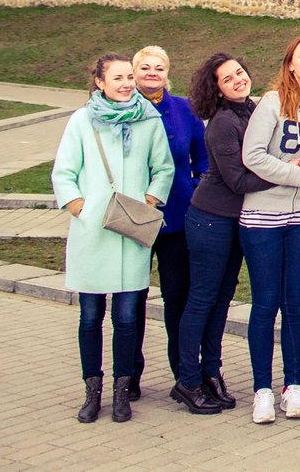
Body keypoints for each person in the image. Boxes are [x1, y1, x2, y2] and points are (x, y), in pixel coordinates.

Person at [51, 54, 174, 423]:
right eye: (117, 78)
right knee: (90, 316)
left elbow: (163, 167)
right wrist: (80, 207)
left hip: (130, 232)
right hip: (92, 231)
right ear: (100, 82)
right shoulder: (82, 120)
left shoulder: (148, 119)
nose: (126, 84)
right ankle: (92, 391)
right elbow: (64, 171)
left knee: (126, 316)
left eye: (129, 77)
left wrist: (148, 202)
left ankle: (123, 391)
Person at [173, 53, 273, 414]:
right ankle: (187, 380)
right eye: (227, 79)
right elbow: (238, 181)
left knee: (222, 300)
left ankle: (211, 373)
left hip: (235, 221)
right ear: (216, 89)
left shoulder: (252, 111)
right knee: (202, 299)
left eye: (240, 73)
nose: (238, 80)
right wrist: (286, 174)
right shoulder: (223, 123)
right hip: (210, 219)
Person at [240, 35, 300, 424]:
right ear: (290, 64)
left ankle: (293, 385)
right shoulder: (272, 102)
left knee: (296, 301)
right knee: (266, 301)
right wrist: (295, 175)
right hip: (263, 213)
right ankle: (262, 388)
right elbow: (253, 156)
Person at [129, 45, 207, 402]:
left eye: (159, 68)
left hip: (176, 215)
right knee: (132, 297)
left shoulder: (183, 109)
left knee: (178, 297)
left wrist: (197, 185)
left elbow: (202, 156)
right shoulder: (124, 108)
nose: (152, 73)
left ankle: (184, 373)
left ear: (167, 72)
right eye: (145, 67)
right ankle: (129, 373)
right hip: (134, 217)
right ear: (134, 73)